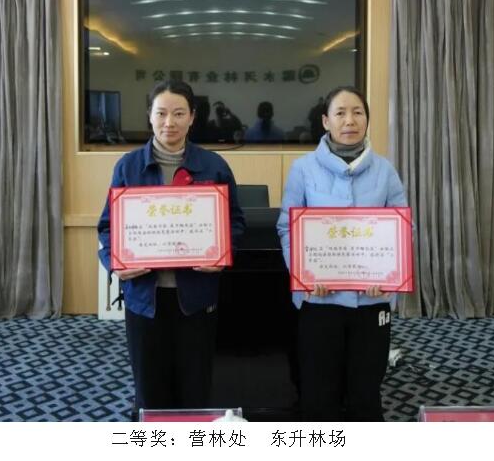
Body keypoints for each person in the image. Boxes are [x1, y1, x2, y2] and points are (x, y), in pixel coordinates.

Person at [98, 80, 245, 413]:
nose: (170, 122)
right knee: (150, 388)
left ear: (192, 117)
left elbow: (235, 222)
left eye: (179, 113)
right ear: (149, 116)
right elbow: (107, 227)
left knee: (195, 386)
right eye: (161, 113)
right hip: (144, 298)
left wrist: (223, 254)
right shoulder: (128, 166)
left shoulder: (214, 166)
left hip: (196, 298)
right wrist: (116, 262)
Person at [277, 85, 408, 421]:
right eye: (340, 113)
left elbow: (402, 229)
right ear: (326, 121)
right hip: (319, 300)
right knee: (319, 391)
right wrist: (304, 277)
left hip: (371, 301)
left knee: (366, 390)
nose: (350, 120)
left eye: (357, 112)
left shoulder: (385, 171)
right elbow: (287, 228)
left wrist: (389, 278)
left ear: (367, 119)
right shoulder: (303, 169)